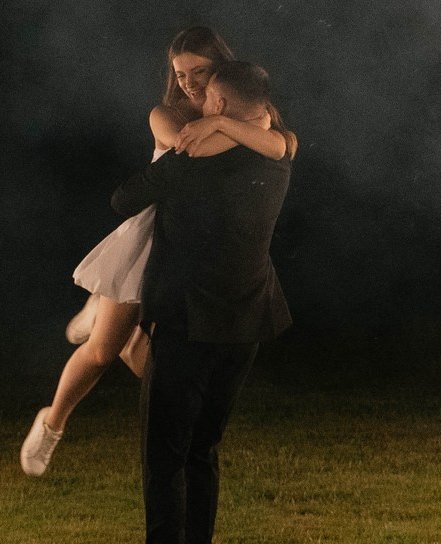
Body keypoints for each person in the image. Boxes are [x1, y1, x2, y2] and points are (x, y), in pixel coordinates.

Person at [20, 27, 293, 476]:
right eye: (180, 73)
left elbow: (285, 146)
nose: (188, 82)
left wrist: (230, 122)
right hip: (148, 237)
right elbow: (198, 149)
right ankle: (52, 422)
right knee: (102, 351)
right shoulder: (166, 114)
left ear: (221, 69)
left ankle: (106, 315)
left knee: (149, 362)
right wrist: (250, 128)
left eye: (199, 72)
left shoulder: (233, 114)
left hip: (188, 244)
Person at [103, 58, 292, 544]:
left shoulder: (192, 163)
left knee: (163, 456)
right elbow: (278, 139)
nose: (199, 101)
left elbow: (123, 200)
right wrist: (227, 129)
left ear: (220, 105)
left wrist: (181, 148)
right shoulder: (278, 162)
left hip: (187, 323)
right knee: (203, 450)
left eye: (207, 96)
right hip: (247, 323)